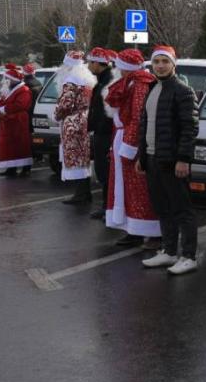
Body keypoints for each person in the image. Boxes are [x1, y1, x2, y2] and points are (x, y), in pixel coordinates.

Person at [137, 46, 200, 275]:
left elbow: (189, 128)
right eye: (156, 62)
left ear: (174, 64)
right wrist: (142, 156)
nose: (160, 66)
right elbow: (145, 125)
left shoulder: (183, 91)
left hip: (172, 161)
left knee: (183, 209)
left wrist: (183, 159)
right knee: (162, 208)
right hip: (152, 158)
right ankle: (169, 251)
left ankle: (189, 256)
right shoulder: (152, 89)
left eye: (165, 61)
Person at [104, 49, 161, 245]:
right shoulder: (130, 82)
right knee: (126, 188)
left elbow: (137, 118)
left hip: (132, 143)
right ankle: (133, 227)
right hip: (122, 138)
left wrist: (129, 146)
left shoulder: (140, 84)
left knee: (138, 189)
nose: (118, 70)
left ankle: (147, 229)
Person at [54, 50, 98, 203]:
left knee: (75, 156)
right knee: (83, 157)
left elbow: (65, 104)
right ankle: (84, 192)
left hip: (73, 122)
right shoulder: (87, 80)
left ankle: (81, 194)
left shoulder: (70, 81)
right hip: (85, 118)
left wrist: (56, 115)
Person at [86, 48, 116, 219]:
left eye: (90, 62)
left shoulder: (108, 81)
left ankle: (109, 207)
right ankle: (106, 206)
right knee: (103, 171)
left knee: (106, 171)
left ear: (98, 63)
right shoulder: (102, 80)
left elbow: (106, 112)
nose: (88, 66)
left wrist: (98, 126)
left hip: (106, 134)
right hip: (100, 132)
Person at [0, 65, 34, 177]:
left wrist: (4, 109)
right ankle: (11, 168)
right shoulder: (9, 90)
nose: (6, 81)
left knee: (21, 145)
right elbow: (1, 101)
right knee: (9, 147)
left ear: (14, 80)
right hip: (8, 122)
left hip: (18, 122)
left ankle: (25, 168)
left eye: (8, 79)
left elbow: (21, 105)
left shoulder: (24, 90)